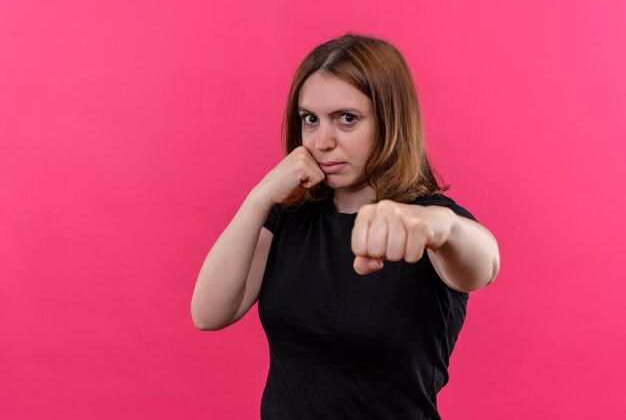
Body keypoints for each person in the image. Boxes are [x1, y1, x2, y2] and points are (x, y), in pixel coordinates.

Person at [191, 32, 500, 420]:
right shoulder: (289, 215)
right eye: (310, 120)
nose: (322, 141)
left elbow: (484, 264)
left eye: (347, 119)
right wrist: (259, 197)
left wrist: (439, 226)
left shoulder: (424, 223)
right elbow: (208, 313)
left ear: (390, 121)